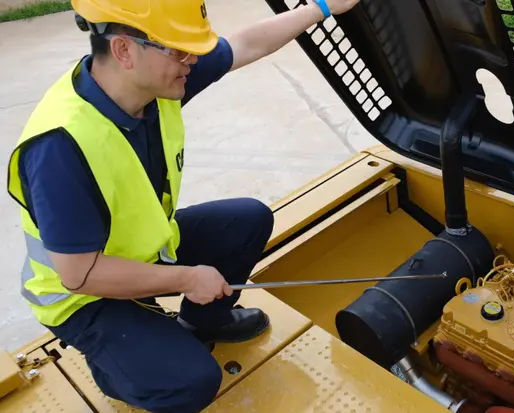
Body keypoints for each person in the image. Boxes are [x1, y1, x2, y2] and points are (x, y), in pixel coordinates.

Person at [6, 0, 359, 411]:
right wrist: (188, 279)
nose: (193, 59)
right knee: (191, 383)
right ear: (124, 50)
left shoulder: (153, 80)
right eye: (179, 48)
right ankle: (115, 370)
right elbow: (78, 274)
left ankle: (198, 325)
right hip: (83, 297)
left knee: (249, 220)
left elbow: (248, 44)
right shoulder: (59, 147)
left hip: (138, 252)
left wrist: (323, 6)